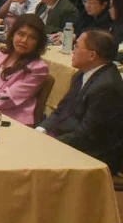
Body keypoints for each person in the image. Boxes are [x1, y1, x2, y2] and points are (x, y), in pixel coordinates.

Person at [38, 29, 123, 172]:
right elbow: (62, 109)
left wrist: (49, 144)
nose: (73, 50)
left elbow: (87, 135)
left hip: (94, 154)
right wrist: (41, 130)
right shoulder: (82, 73)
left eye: (76, 46)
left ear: (92, 55)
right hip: (68, 138)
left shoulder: (107, 87)